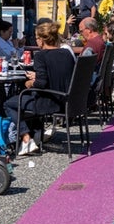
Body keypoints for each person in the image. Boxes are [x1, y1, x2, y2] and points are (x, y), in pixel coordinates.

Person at [6, 21, 75, 156]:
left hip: (49, 102)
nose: (36, 41)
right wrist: (38, 76)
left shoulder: (41, 56)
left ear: (42, 40)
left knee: (9, 103)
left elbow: (41, 84)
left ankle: (26, 139)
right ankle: (36, 133)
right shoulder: (66, 53)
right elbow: (61, 73)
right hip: (66, 100)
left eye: (37, 38)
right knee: (27, 98)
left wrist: (31, 83)